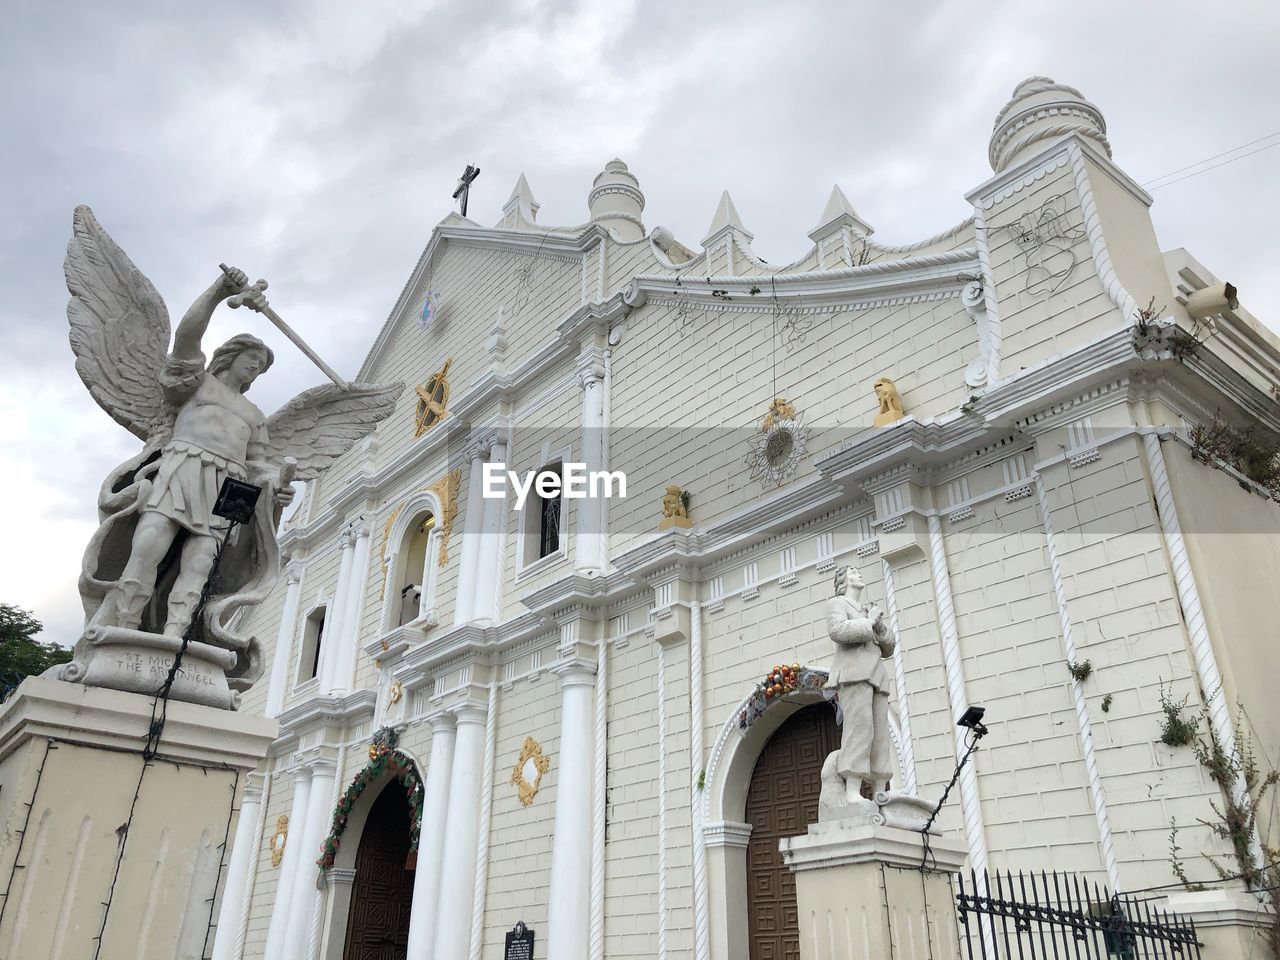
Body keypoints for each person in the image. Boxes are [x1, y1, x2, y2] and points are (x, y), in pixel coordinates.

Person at [96, 267, 293, 637]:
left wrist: (277, 487)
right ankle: (124, 625)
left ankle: (175, 634)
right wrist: (220, 291)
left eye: (261, 365)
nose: (256, 366)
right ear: (231, 355)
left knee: (203, 561)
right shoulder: (196, 384)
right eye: (252, 357)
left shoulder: (254, 415)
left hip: (231, 486)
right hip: (184, 464)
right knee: (150, 540)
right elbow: (188, 336)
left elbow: (259, 465)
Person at [824, 564, 896, 801]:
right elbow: (837, 630)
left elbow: (889, 647)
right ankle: (853, 789)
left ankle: (880, 789)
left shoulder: (867, 610)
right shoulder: (838, 604)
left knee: (881, 735)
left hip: (877, 677)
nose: (858, 574)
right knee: (859, 729)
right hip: (854, 675)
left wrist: (878, 625)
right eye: (853, 572)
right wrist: (867, 624)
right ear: (843, 581)